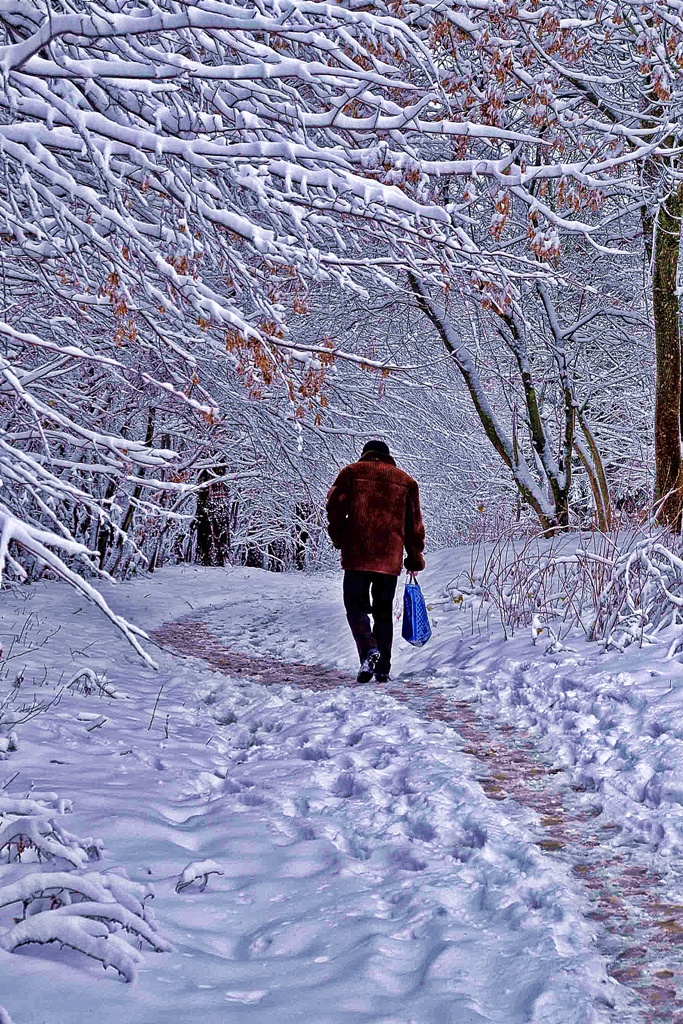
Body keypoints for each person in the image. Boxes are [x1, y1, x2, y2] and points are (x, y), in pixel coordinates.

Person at [326, 440, 425, 683]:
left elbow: (334, 509)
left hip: (357, 554)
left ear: (365, 454)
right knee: (383, 612)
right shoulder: (406, 482)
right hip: (388, 558)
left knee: (355, 606)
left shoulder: (351, 473)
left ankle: (369, 650)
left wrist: (340, 537)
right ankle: (382, 669)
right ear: (388, 457)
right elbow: (414, 525)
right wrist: (414, 557)